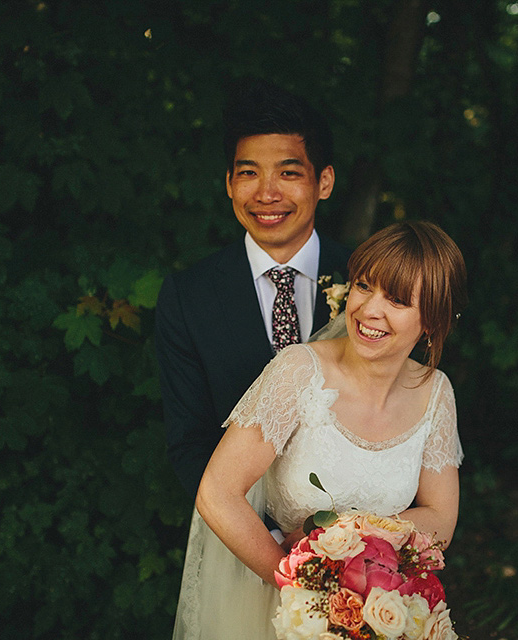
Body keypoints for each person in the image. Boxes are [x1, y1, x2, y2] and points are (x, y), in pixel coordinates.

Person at [172, 221, 468, 639]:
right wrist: (304, 587)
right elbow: (217, 493)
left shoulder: (435, 393)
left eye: (397, 300)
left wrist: (353, 546)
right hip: (282, 607)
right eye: (365, 286)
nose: (368, 310)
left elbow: (440, 516)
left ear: (432, 322)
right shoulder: (298, 372)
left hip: (373, 611)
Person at [155, 79, 351, 500]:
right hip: (236, 530)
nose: (266, 193)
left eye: (288, 172)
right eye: (249, 173)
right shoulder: (188, 296)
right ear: (229, 183)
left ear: (324, 182)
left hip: (354, 533)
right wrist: (264, 536)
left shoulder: (369, 281)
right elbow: (188, 442)